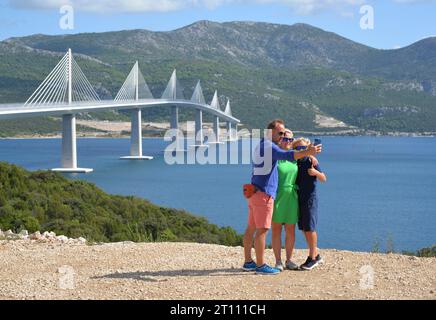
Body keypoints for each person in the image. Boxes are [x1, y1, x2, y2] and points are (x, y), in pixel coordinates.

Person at [242, 120, 322, 275]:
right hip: (264, 194)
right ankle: (260, 265)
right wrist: (308, 151)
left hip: (255, 193)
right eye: (280, 133)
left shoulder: (261, 144)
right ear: (270, 132)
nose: (282, 136)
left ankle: (248, 261)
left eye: (284, 133)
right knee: (262, 230)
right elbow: (287, 154)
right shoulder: (270, 147)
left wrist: (308, 155)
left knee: (251, 228)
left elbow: (290, 153)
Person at [293, 137, 327, 271]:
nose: (301, 150)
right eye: (298, 148)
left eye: (303, 148)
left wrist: (315, 172)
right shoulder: (296, 162)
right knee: (304, 228)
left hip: (309, 199)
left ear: (308, 148)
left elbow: (324, 178)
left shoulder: (310, 161)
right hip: (299, 198)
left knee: (310, 228)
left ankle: (312, 258)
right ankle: (315, 255)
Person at [271, 129, 300, 272]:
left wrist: (313, 157)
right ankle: (278, 261)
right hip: (277, 196)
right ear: (279, 139)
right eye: (285, 139)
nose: (287, 141)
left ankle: (289, 260)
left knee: (290, 230)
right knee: (276, 230)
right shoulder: (274, 157)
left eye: (290, 139)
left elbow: (307, 154)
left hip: (291, 197)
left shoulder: (295, 157)